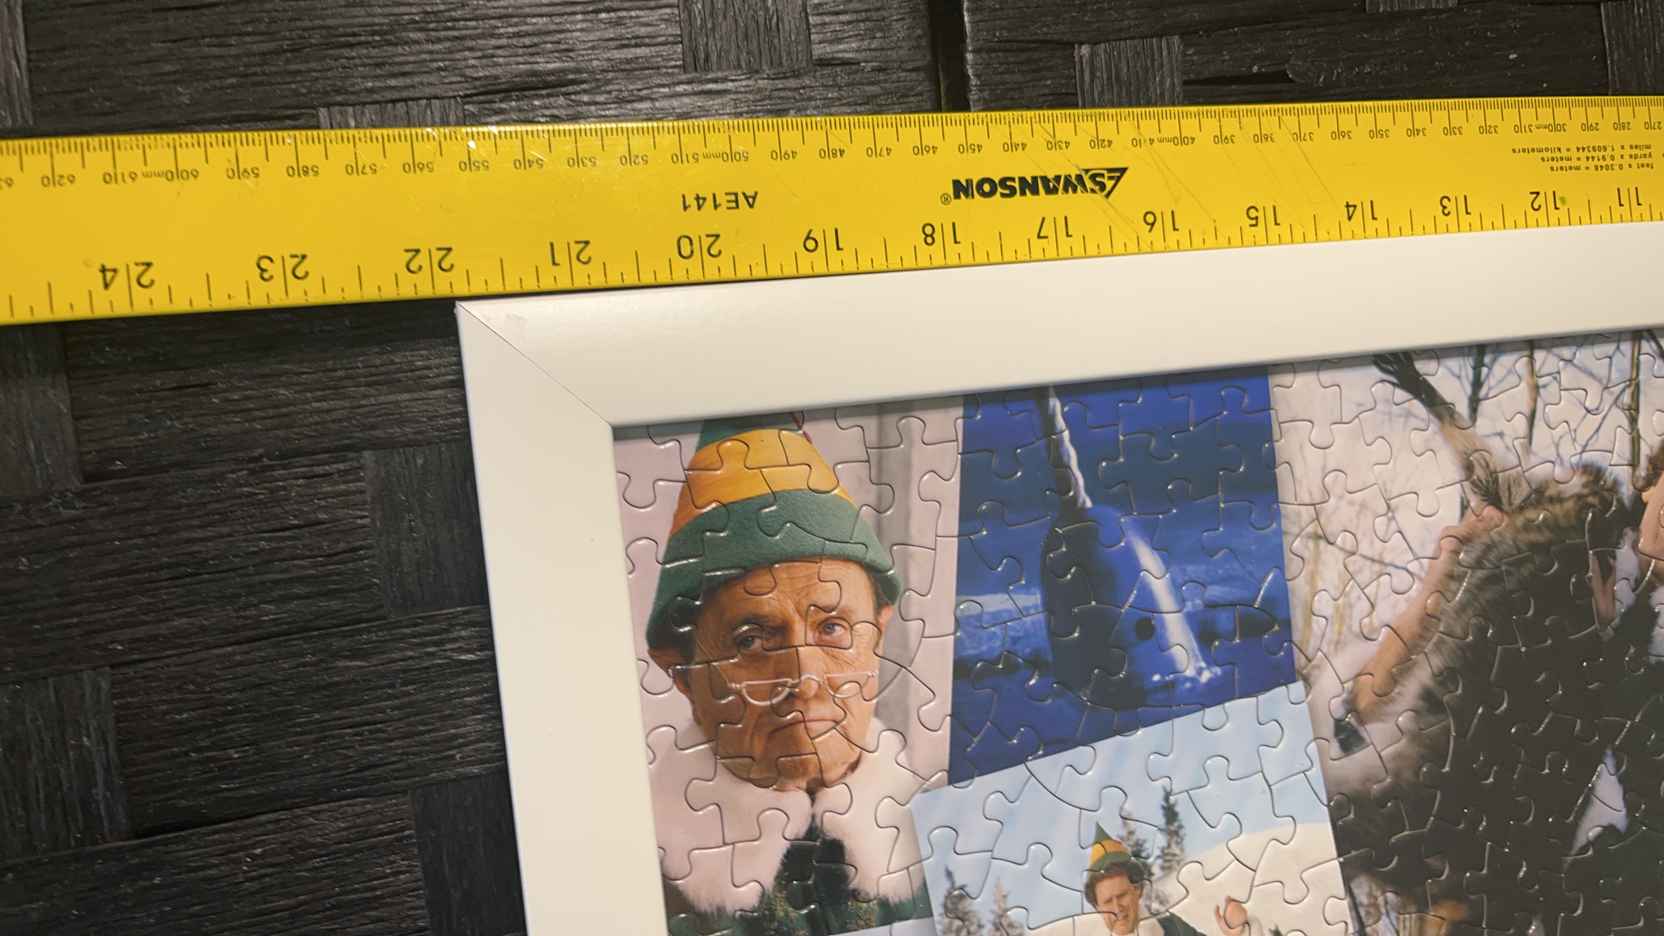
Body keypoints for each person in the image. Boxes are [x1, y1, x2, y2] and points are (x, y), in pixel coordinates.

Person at [642, 415, 932, 936]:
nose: (805, 679)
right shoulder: (626, 881)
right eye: (752, 640)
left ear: (878, 636)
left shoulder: (953, 832)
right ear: (682, 672)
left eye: (833, 629)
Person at [1083, 827, 1262, 936]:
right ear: (1097, 907)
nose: (1116, 908)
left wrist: (1237, 932)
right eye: (1107, 901)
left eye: (1121, 895)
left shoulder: (1173, 929)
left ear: (1137, 890)